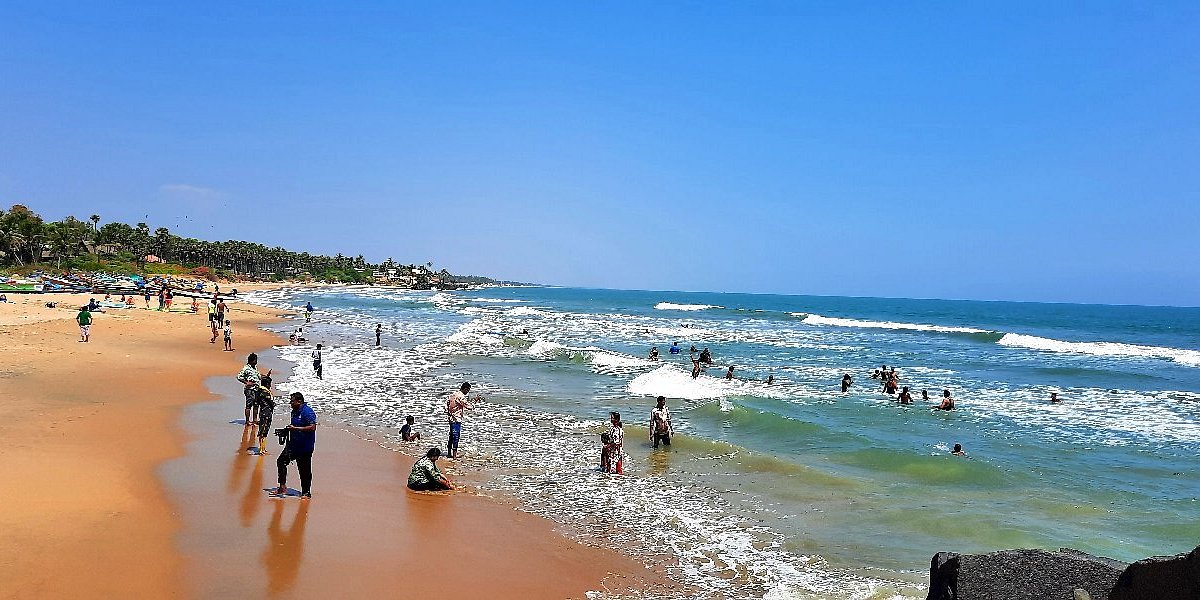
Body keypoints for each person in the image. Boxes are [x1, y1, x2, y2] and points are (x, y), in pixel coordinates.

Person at [274, 392, 317, 499]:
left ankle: (306, 492)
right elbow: (295, 425)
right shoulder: (294, 411)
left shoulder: (307, 412)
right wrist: (287, 430)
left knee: (304, 470)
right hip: (293, 445)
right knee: (281, 461)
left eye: (292, 401)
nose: (290, 403)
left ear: (299, 401)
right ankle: (282, 486)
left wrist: (296, 429)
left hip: (305, 446)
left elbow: (312, 427)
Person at [445, 382, 478, 459]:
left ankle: (449, 453)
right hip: (456, 419)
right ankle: (454, 456)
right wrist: (475, 401)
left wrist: (449, 414)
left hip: (451, 418)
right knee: (456, 436)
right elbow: (469, 406)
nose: (467, 392)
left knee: (451, 436)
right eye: (468, 390)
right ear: (465, 389)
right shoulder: (460, 397)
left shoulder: (452, 394)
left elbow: (446, 405)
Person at [237, 354, 263, 425]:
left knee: (256, 404)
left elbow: (258, 377)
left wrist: (266, 376)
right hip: (250, 389)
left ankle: (255, 419)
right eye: (255, 360)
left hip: (256, 389)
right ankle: (247, 420)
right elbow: (239, 376)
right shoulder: (246, 368)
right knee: (249, 405)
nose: (256, 362)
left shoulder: (255, 368)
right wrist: (246, 382)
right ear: (251, 360)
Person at [255, 375, 276, 454]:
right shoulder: (265, 392)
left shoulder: (259, 391)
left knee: (264, 431)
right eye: (269, 384)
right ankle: (261, 449)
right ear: (267, 384)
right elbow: (271, 402)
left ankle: (263, 448)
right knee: (263, 431)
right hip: (266, 412)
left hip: (264, 412)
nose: (270, 385)